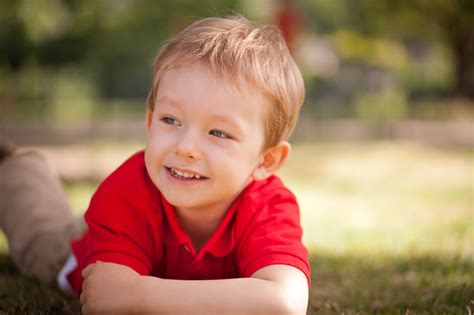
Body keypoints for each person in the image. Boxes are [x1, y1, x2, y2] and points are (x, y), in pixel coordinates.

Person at [0, 16, 309, 314]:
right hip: (79, 245)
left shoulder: (268, 207)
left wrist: (137, 294)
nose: (185, 148)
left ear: (266, 160)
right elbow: (106, 296)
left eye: (218, 133)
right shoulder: (127, 191)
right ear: (150, 122)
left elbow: (285, 302)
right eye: (170, 120)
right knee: (38, 234)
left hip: (136, 232)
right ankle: (16, 167)